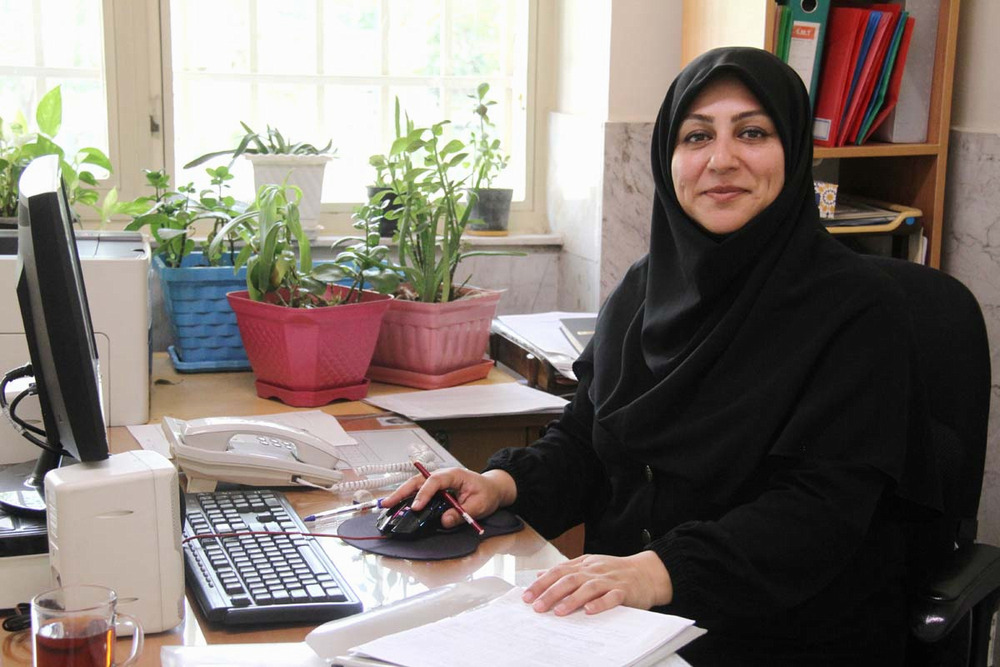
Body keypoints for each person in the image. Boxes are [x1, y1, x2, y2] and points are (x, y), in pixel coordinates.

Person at [384, 47, 940, 665]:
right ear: (667, 159)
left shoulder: (859, 309)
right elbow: (587, 442)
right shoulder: (646, 289)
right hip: (626, 625)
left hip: (786, 634)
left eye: (752, 133)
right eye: (697, 136)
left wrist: (656, 571)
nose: (721, 159)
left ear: (793, 152)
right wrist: (498, 485)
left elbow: (821, 512)